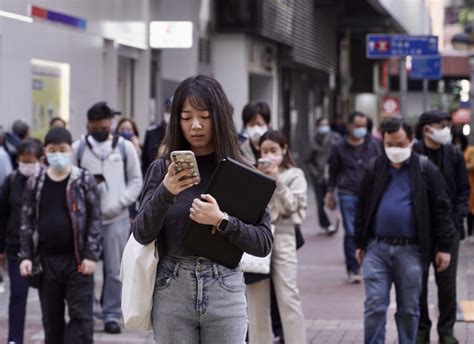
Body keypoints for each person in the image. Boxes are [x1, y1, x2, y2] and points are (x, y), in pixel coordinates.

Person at [132, 74, 273, 343]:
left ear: (218, 117)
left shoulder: (241, 171)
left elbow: (263, 242)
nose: (195, 126)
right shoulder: (163, 170)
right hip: (172, 286)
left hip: (224, 286)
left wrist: (222, 221)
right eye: (186, 118)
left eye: (204, 117)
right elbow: (141, 233)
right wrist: (166, 192)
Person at [355, 118, 455, 343]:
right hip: (377, 248)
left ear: (411, 141)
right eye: (389, 144)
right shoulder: (375, 167)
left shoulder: (425, 169)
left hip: (411, 250)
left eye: (400, 144)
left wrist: (445, 247)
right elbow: (362, 207)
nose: (394, 150)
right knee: (374, 306)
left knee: (409, 309)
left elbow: (442, 210)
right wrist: (359, 243)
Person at [18, 127, 102, 344]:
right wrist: (26, 256)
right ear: (45, 152)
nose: (57, 154)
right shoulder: (35, 182)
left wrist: (91, 256)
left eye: (62, 149)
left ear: (70, 150)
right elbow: (27, 221)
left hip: (78, 261)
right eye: (52, 150)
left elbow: (95, 219)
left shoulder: (83, 180)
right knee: (51, 321)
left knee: (81, 319)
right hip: (47, 262)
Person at [72, 101, 143, 334]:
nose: (100, 131)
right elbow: (70, 180)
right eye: (95, 128)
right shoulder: (79, 148)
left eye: (104, 127)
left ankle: (111, 313)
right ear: (88, 125)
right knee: (85, 267)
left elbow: (136, 181)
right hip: (85, 221)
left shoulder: (124, 148)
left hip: (117, 218)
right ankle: (88, 313)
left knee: (114, 270)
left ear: (110, 125)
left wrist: (120, 203)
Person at [413, 111, 470, 344]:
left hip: (449, 229)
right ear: (427, 129)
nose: (446, 129)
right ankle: (421, 329)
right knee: (418, 283)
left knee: (446, 285)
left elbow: (464, 190)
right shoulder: (413, 153)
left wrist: (457, 219)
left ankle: (446, 331)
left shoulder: (454, 154)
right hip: (418, 231)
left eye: (447, 125)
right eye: (441, 125)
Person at [246, 130, 307, 344]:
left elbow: (292, 207)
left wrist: (277, 181)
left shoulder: (294, 174)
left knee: (288, 295)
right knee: (256, 300)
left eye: (274, 150)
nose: (269, 155)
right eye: (264, 151)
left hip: (284, 234)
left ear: (284, 149)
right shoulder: (253, 173)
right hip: (257, 236)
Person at [326, 111, 382, 283]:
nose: (360, 129)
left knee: (370, 229)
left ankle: (370, 264)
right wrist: (330, 192)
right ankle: (353, 268)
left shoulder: (374, 144)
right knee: (350, 231)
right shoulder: (339, 146)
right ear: (349, 126)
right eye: (357, 126)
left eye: (363, 126)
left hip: (370, 193)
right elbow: (333, 171)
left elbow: (381, 166)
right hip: (347, 192)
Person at [0, 138, 43, 344]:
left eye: (31, 161)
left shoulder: (48, 180)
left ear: (40, 160)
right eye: (23, 161)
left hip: (43, 248)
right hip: (16, 246)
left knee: (48, 297)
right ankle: (14, 339)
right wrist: (2, 248)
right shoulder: (11, 181)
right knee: (18, 294)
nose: (27, 166)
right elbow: (3, 215)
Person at [305, 117, 340, 234]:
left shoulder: (336, 138)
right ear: (317, 127)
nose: (325, 127)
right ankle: (325, 224)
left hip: (333, 175)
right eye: (322, 125)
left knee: (333, 200)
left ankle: (334, 223)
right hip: (319, 176)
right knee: (320, 202)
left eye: (326, 124)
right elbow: (308, 160)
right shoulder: (313, 141)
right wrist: (315, 173)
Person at [142, 96, 172, 174]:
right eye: (169, 110)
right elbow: (145, 162)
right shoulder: (152, 133)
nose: (171, 114)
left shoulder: (186, 133)